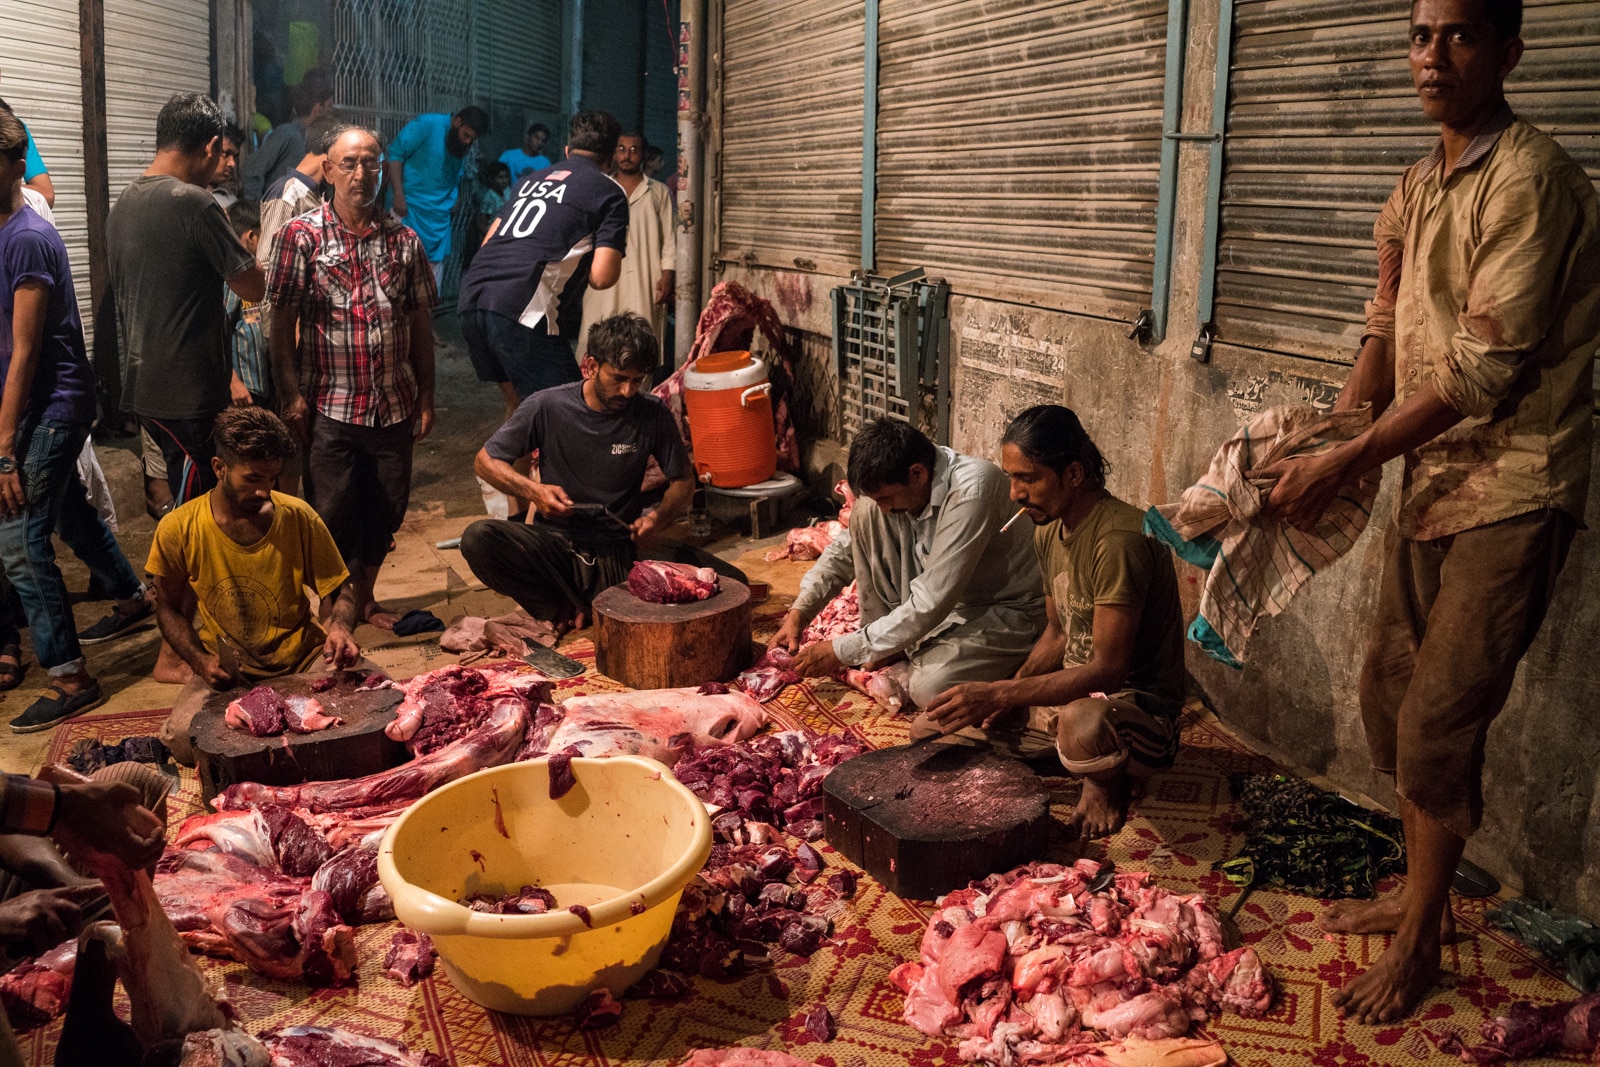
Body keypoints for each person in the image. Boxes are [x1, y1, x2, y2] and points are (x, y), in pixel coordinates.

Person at [1259, 0, 1600, 1025]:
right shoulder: (1414, 182)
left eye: (1458, 35)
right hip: (1430, 480)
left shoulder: (1531, 178)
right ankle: (1420, 892)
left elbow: (1485, 369)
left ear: (1507, 52)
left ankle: (1420, 937)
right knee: (1391, 699)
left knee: (1440, 717)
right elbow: (1384, 325)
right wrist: (1323, 442)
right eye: (1418, 35)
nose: (1432, 55)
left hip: (1512, 483)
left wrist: (1356, 452)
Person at [917, 406, 1187, 838]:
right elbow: (1058, 633)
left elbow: (1107, 670)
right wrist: (1007, 700)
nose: (1014, 493)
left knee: (1082, 725)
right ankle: (1069, 756)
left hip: (1133, 707)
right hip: (1073, 696)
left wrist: (999, 690)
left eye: (1028, 478)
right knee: (932, 725)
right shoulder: (1047, 528)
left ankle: (1102, 780)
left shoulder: (1121, 539)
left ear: (1074, 474)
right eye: (1011, 477)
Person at [0, 113, 151, 733]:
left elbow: (27, 351)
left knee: (18, 539)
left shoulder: (29, 238)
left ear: (15, 166)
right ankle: (130, 594)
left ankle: (71, 678)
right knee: (67, 512)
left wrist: (5, 448)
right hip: (30, 406)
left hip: (55, 403)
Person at [460, 312, 745, 628]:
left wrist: (657, 519)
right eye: (619, 378)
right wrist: (535, 491)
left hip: (620, 547)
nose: (628, 391)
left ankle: (591, 603)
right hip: (557, 544)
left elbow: (682, 481)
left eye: (637, 380)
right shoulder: (547, 406)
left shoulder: (652, 413)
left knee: (735, 584)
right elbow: (485, 461)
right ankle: (560, 609)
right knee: (478, 538)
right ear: (592, 366)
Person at [267, 126, 436, 631]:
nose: (361, 174)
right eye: (349, 163)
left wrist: (427, 395)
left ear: (382, 169)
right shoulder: (302, 236)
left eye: (371, 164)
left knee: (387, 507)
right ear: (329, 170)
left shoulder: (404, 241)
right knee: (332, 509)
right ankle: (333, 603)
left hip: (393, 402)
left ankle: (364, 599)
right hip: (328, 404)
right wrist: (291, 395)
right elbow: (279, 322)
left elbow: (419, 323)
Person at [771, 417, 1046, 707]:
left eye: (887, 498)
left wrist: (842, 651)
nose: (886, 509)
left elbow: (931, 602)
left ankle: (911, 648)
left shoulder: (971, 490)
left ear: (917, 474)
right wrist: (800, 612)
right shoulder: (909, 489)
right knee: (865, 512)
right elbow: (843, 551)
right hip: (947, 605)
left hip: (1005, 611)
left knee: (929, 688)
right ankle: (893, 644)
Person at [147, 407, 362, 765]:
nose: (264, 490)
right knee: (183, 739)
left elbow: (339, 591)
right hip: (231, 674)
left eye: (272, 478)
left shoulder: (298, 516)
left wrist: (338, 628)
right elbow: (167, 607)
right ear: (219, 468)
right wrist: (200, 662)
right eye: (252, 478)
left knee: (373, 707)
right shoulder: (178, 528)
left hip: (304, 660)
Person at [106, 92, 266, 508]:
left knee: (182, 500)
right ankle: (175, 575)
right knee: (197, 513)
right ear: (211, 146)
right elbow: (253, 286)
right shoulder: (194, 203)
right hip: (188, 397)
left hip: (146, 392)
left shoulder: (124, 202)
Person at [457, 109, 628, 408]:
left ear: (566, 149)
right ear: (611, 157)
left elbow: (487, 242)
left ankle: (501, 455)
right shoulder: (609, 192)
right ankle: (493, 457)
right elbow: (603, 277)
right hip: (522, 308)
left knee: (522, 411)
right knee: (577, 413)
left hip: (472, 299)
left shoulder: (529, 181)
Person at [579, 133, 676, 353]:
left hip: (646, 275)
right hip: (603, 274)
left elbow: (670, 238)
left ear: (643, 155)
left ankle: (638, 385)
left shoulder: (658, 192)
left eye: (633, 150)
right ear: (613, 154)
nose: (626, 156)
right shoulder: (600, 188)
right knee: (596, 332)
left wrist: (668, 275)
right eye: (621, 149)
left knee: (642, 336)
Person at [383, 105, 488, 285]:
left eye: (473, 139)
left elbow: (456, 174)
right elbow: (395, 155)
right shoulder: (427, 124)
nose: (468, 142)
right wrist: (399, 195)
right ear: (457, 121)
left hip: (439, 221)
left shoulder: (459, 144)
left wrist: (455, 200)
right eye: (466, 135)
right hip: (408, 211)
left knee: (430, 287)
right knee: (399, 279)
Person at [256, 114, 343, 272]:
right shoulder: (288, 192)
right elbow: (267, 262)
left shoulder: (318, 194)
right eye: (345, 160)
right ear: (330, 152)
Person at [241, 71, 335, 201]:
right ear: (318, 108)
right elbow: (252, 171)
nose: (331, 111)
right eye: (329, 106)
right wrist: (257, 213)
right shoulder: (287, 134)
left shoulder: (314, 139)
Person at [224, 200, 269, 409]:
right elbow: (215, 333)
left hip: (257, 388)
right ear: (251, 237)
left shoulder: (251, 276)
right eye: (263, 238)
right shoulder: (232, 277)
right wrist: (233, 383)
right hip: (241, 392)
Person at [208, 123, 246, 210]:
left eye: (235, 157)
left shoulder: (231, 200)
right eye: (225, 154)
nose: (232, 164)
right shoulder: (186, 193)